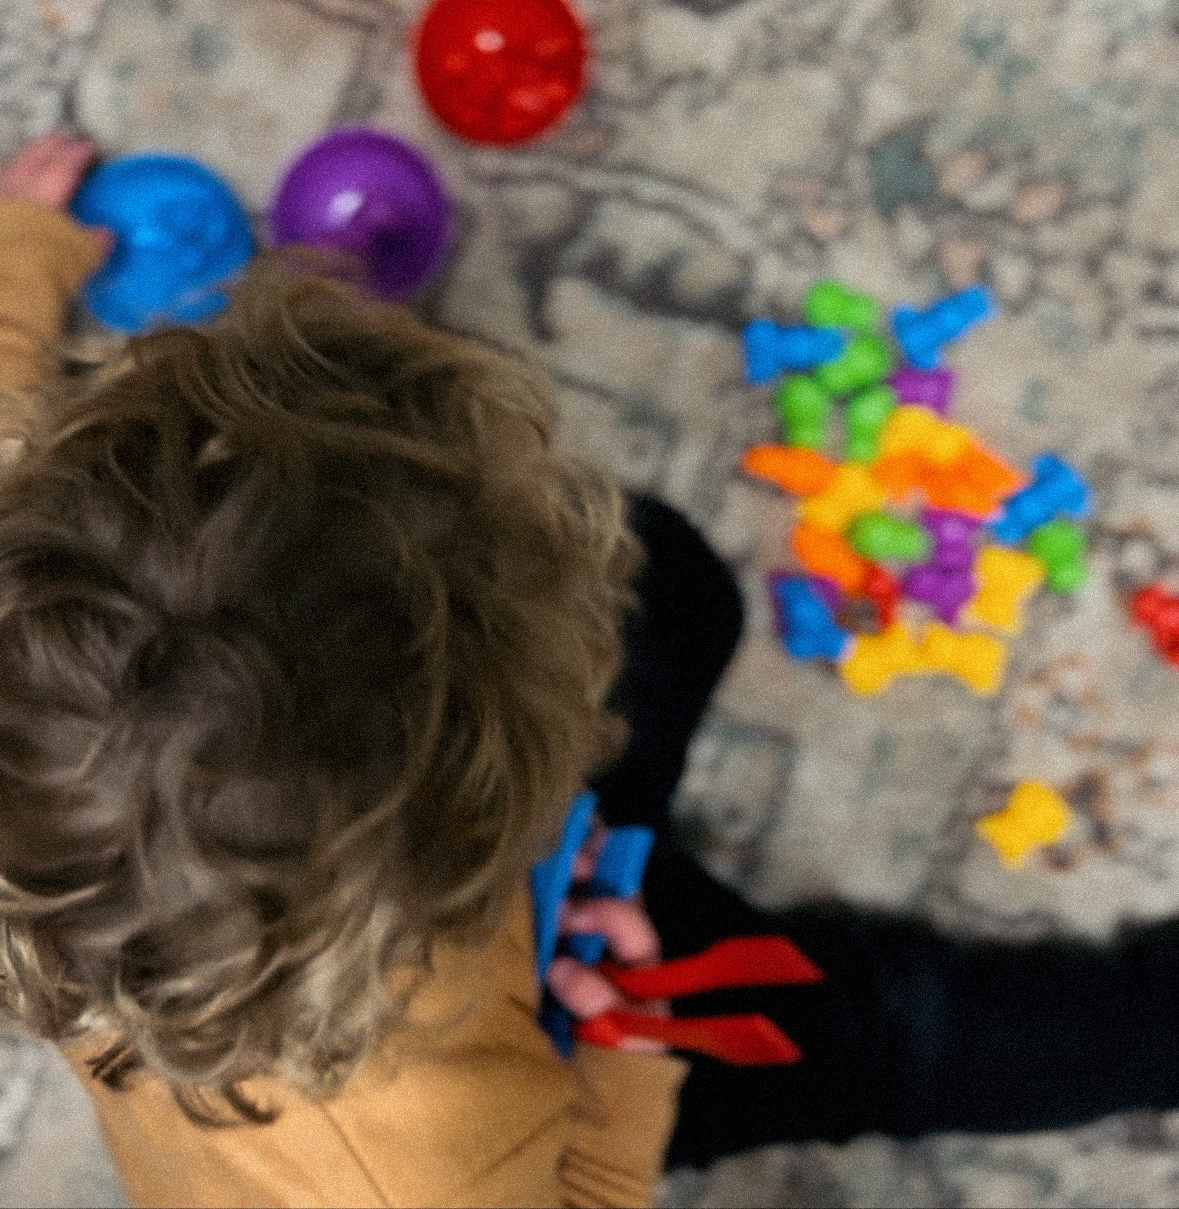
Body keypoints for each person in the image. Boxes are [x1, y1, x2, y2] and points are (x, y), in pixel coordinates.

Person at [2, 132, 1179, 1209]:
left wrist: (29, 242)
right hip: (566, 1040)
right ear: (492, 786)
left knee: (669, 582)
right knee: (886, 1031)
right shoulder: (417, 1177)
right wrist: (625, 1075)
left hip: (424, 914)